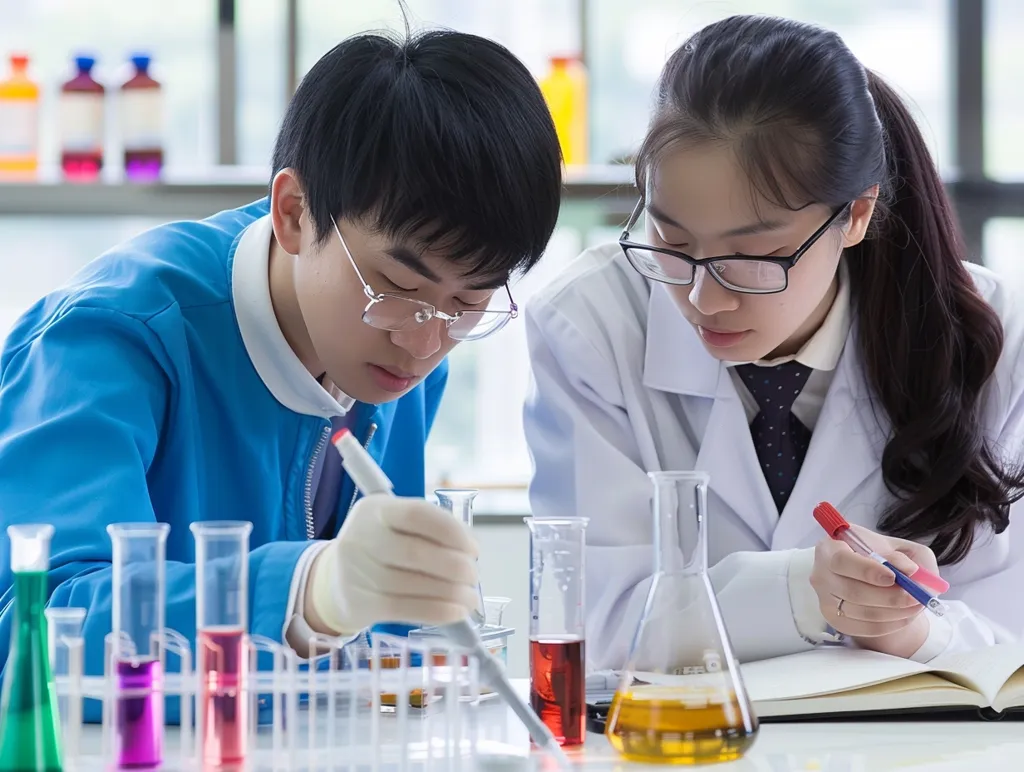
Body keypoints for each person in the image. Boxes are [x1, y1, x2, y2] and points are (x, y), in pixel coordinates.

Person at [0, 29, 562, 680]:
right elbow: (34, 633)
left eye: (470, 304)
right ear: (294, 212)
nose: (425, 344)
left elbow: (373, 657)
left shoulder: (406, 346)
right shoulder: (111, 338)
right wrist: (308, 593)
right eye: (397, 287)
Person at [523, 14, 1024, 672]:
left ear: (857, 215)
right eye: (672, 243)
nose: (705, 300)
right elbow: (591, 624)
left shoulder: (990, 335)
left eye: (756, 256)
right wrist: (801, 592)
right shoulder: (590, 325)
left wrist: (910, 631)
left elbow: (1003, 638)